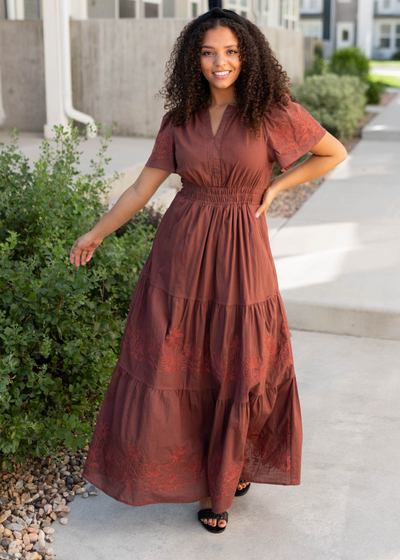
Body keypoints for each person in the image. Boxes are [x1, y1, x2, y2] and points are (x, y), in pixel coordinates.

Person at [70, 7, 347, 535]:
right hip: (182, 255)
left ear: (248, 57)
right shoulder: (180, 119)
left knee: (243, 363)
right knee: (184, 366)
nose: (220, 62)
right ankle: (210, 487)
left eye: (230, 52)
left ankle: (231, 465)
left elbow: (329, 152)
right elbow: (141, 189)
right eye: (208, 52)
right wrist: (97, 232)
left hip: (244, 254)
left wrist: (276, 186)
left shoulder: (271, 111)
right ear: (192, 59)